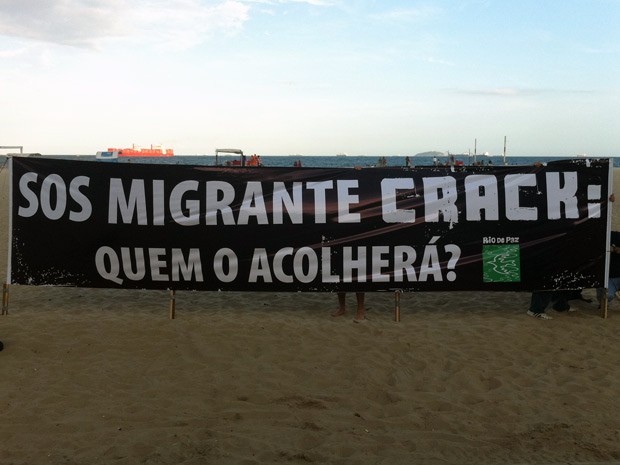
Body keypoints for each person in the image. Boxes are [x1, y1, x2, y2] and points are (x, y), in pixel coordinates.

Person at [597, 230, 620, 307]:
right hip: (608, 277)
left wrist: (615, 249)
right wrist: (610, 248)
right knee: (606, 297)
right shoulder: (613, 235)